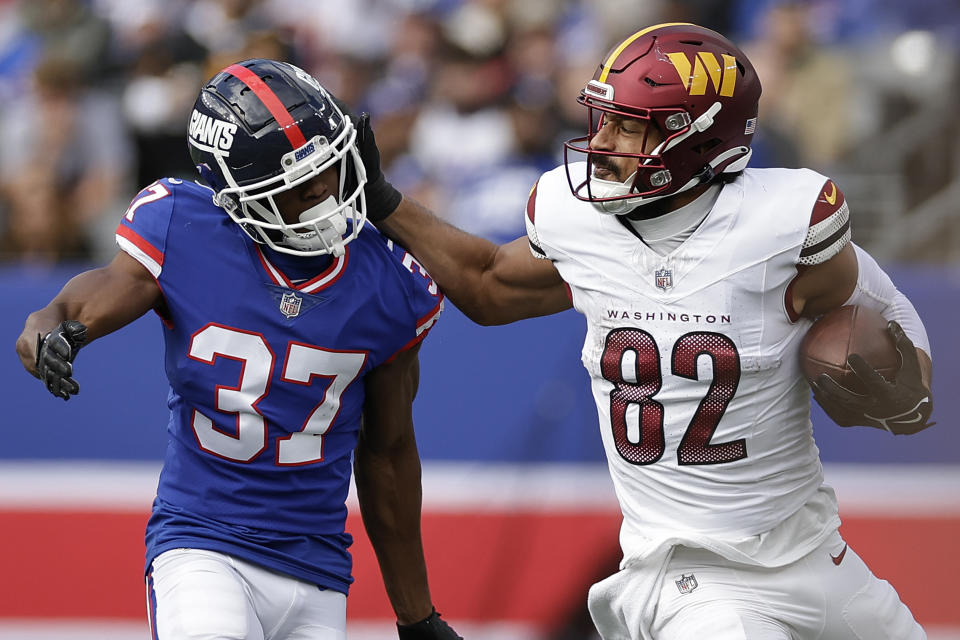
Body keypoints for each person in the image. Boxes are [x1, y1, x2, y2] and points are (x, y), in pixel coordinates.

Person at [356, 22, 936, 640]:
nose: (600, 142)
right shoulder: (578, 225)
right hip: (692, 575)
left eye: (627, 125)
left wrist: (907, 381)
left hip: (816, 552)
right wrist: (385, 199)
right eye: (603, 119)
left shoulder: (784, 227)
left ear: (695, 137)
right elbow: (488, 284)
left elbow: (883, 305)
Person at [16, 59, 461, 640]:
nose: (326, 190)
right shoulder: (183, 225)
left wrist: (416, 614)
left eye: (329, 166)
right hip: (204, 544)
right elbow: (99, 293)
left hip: (319, 566)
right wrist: (50, 326)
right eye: (299, 184)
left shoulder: (390, 280)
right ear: (238, 196)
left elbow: (388, 455)